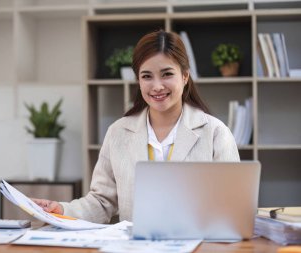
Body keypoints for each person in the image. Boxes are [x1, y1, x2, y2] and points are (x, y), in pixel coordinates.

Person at [33, 30, 240, 224]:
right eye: (147, 76)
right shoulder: (118, 132)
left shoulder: (215, 132)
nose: (157, 86)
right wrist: (62, 209)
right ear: (138, 81)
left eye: (167, 74)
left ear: (185, 76)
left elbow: (232, 206)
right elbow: (102, 201)